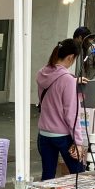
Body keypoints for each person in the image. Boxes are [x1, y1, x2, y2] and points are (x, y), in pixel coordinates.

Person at [36, 38, 85, 180]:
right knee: (79, 177)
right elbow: (72, 114)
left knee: (47, 177)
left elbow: (53, 93)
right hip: (63, 136)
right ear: (71, 57)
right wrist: (78, 142)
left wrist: (74, 81)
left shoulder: (42, 73)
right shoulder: (67, 79)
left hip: (44, 134)